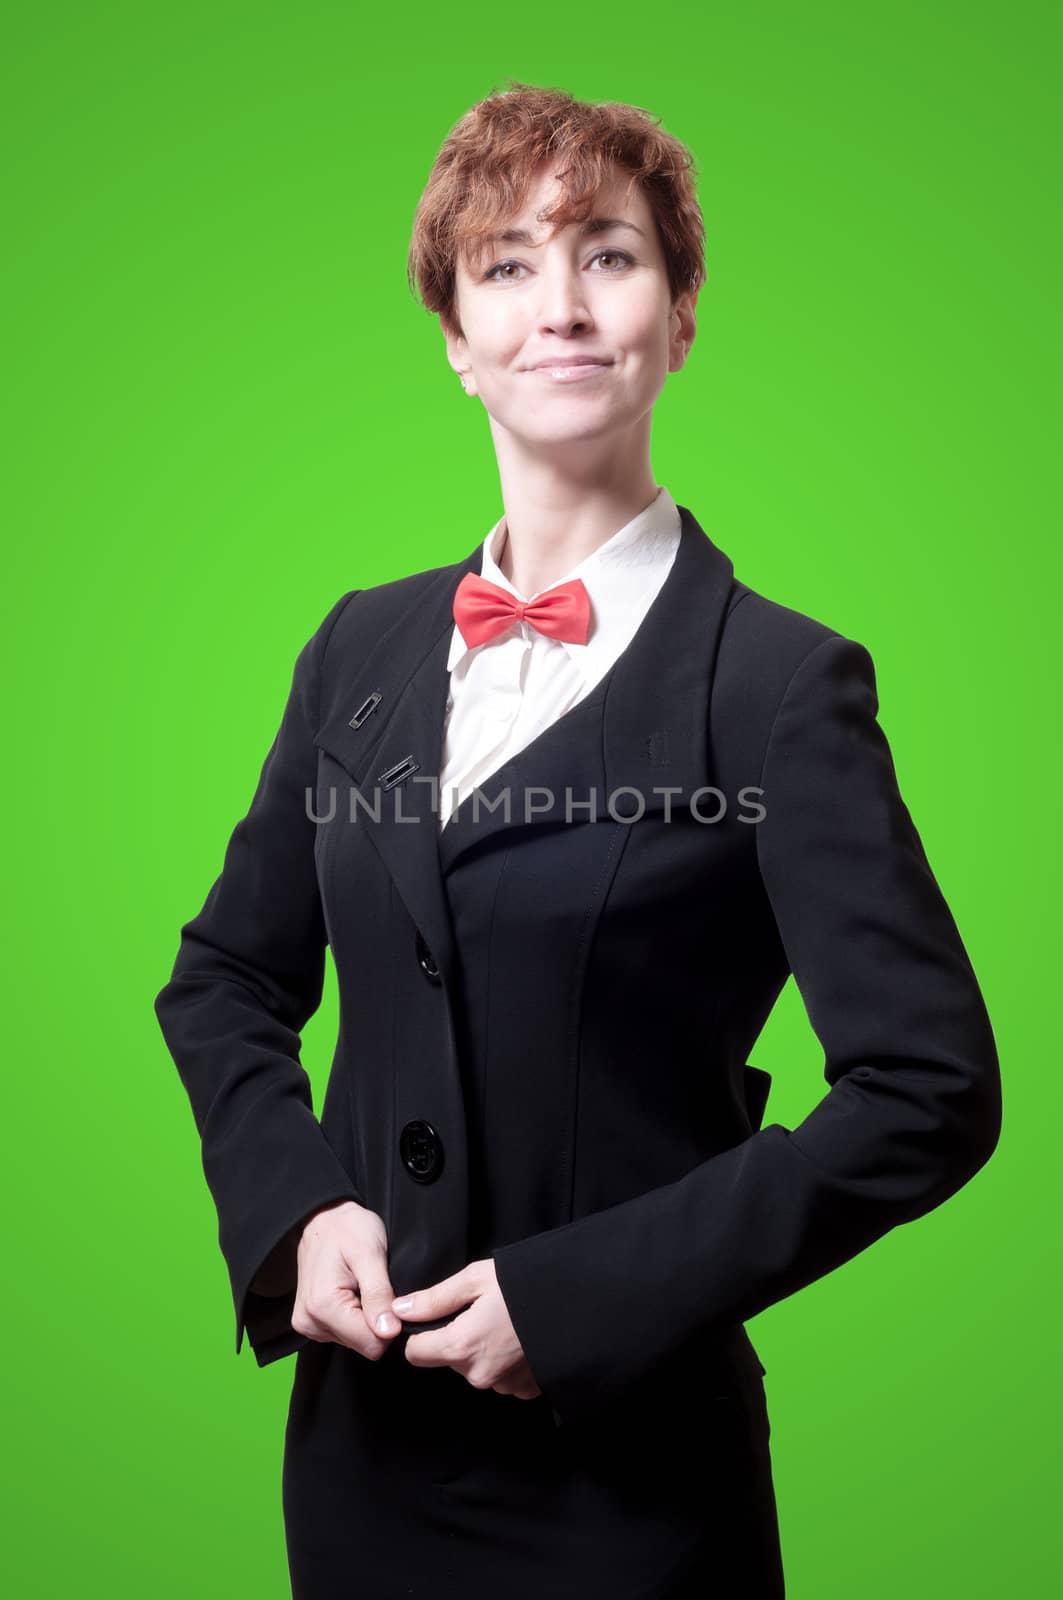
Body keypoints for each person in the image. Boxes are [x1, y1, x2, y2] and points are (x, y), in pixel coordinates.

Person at [153, 80, 1002, 1600]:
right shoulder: (356, 650)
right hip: (359, 1463)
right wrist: (295, 1209)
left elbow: (929, 1088)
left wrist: (583, 1298)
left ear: (678, 319)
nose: (561, 305)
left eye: (608, 255)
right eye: (506, 266)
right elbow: (224, 974)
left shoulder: (782, 687)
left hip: (630, 1485)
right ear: (457, 348)